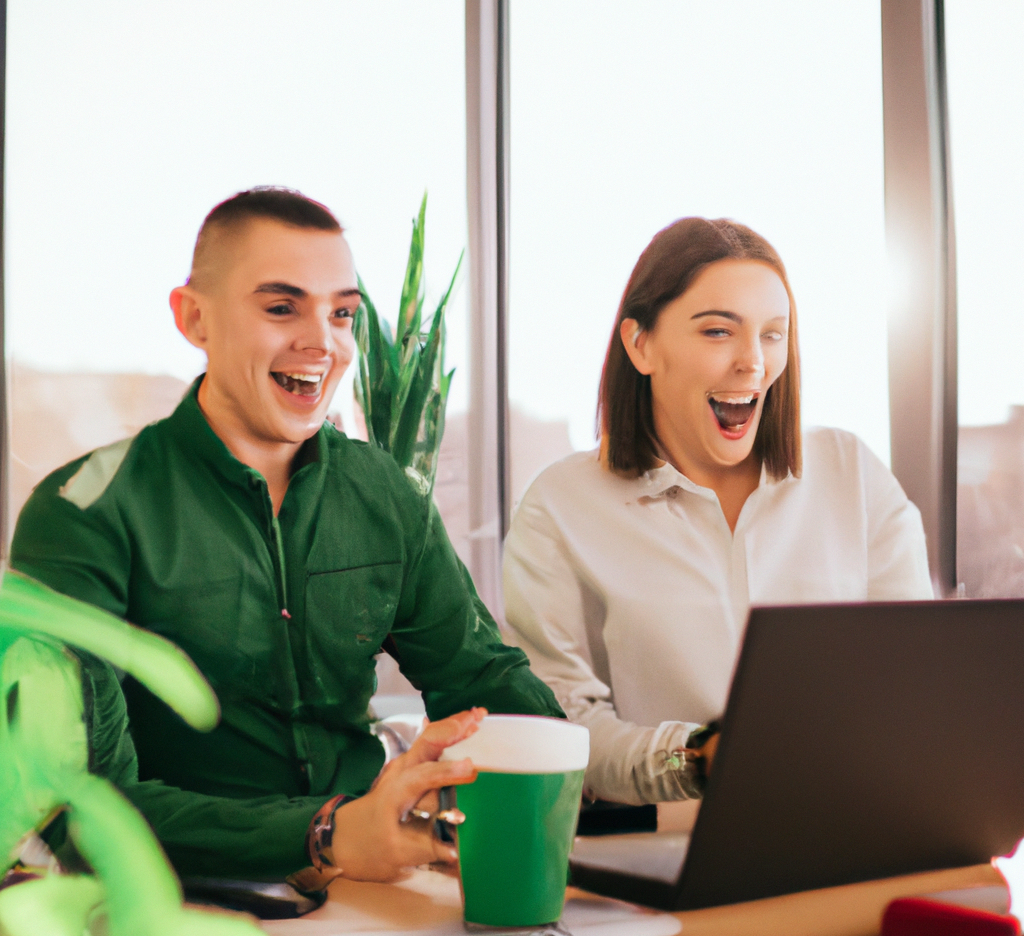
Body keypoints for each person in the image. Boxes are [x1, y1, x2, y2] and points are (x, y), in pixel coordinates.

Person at [11, 187, 562, 883]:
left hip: (370, 887)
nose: (321, 343)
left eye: (341, 314)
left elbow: (482, 680)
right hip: (175, 902)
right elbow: (82, 809)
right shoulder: (82, 513)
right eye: (281, 308)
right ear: (194, 318)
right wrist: (327, 832)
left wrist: (552, 763)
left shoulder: (384, 492)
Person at [502, 216, 932, 807]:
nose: (752, 362)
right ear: (641, 344)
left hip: (849, 821)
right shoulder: (559, 506)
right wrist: (696, 757)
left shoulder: (851, 473)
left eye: (773, 334)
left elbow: (915, 675)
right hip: (667, 847)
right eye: (717, 332)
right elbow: (560, 726)